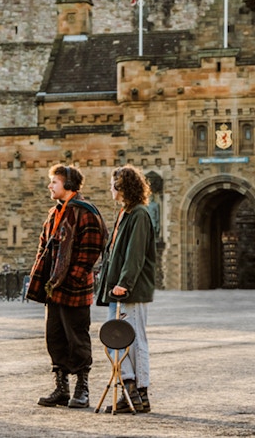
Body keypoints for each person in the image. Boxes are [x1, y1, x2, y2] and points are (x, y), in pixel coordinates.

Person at [26, 164, 108, 409]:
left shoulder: (86, 212)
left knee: (77, 337)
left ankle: (82, 389)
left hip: (74, 288)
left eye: (54, 182)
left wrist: (72, 278)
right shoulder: (55, 212)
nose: (50, 186)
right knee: (55, 337)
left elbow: (91, 250)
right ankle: (61, 388)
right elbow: (44, 246)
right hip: (54, 287)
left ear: (68, 184)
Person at [96, 165, 156, 413]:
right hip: (116, 289)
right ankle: (130, 388)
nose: (111, 189)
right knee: (115, 341)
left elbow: (135, 254)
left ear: (122, 188)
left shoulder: (139, 215)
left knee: (134, 340)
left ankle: (138, 392)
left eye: (113, 185)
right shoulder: (125, 213)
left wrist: (124, 283)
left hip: (129, 290)